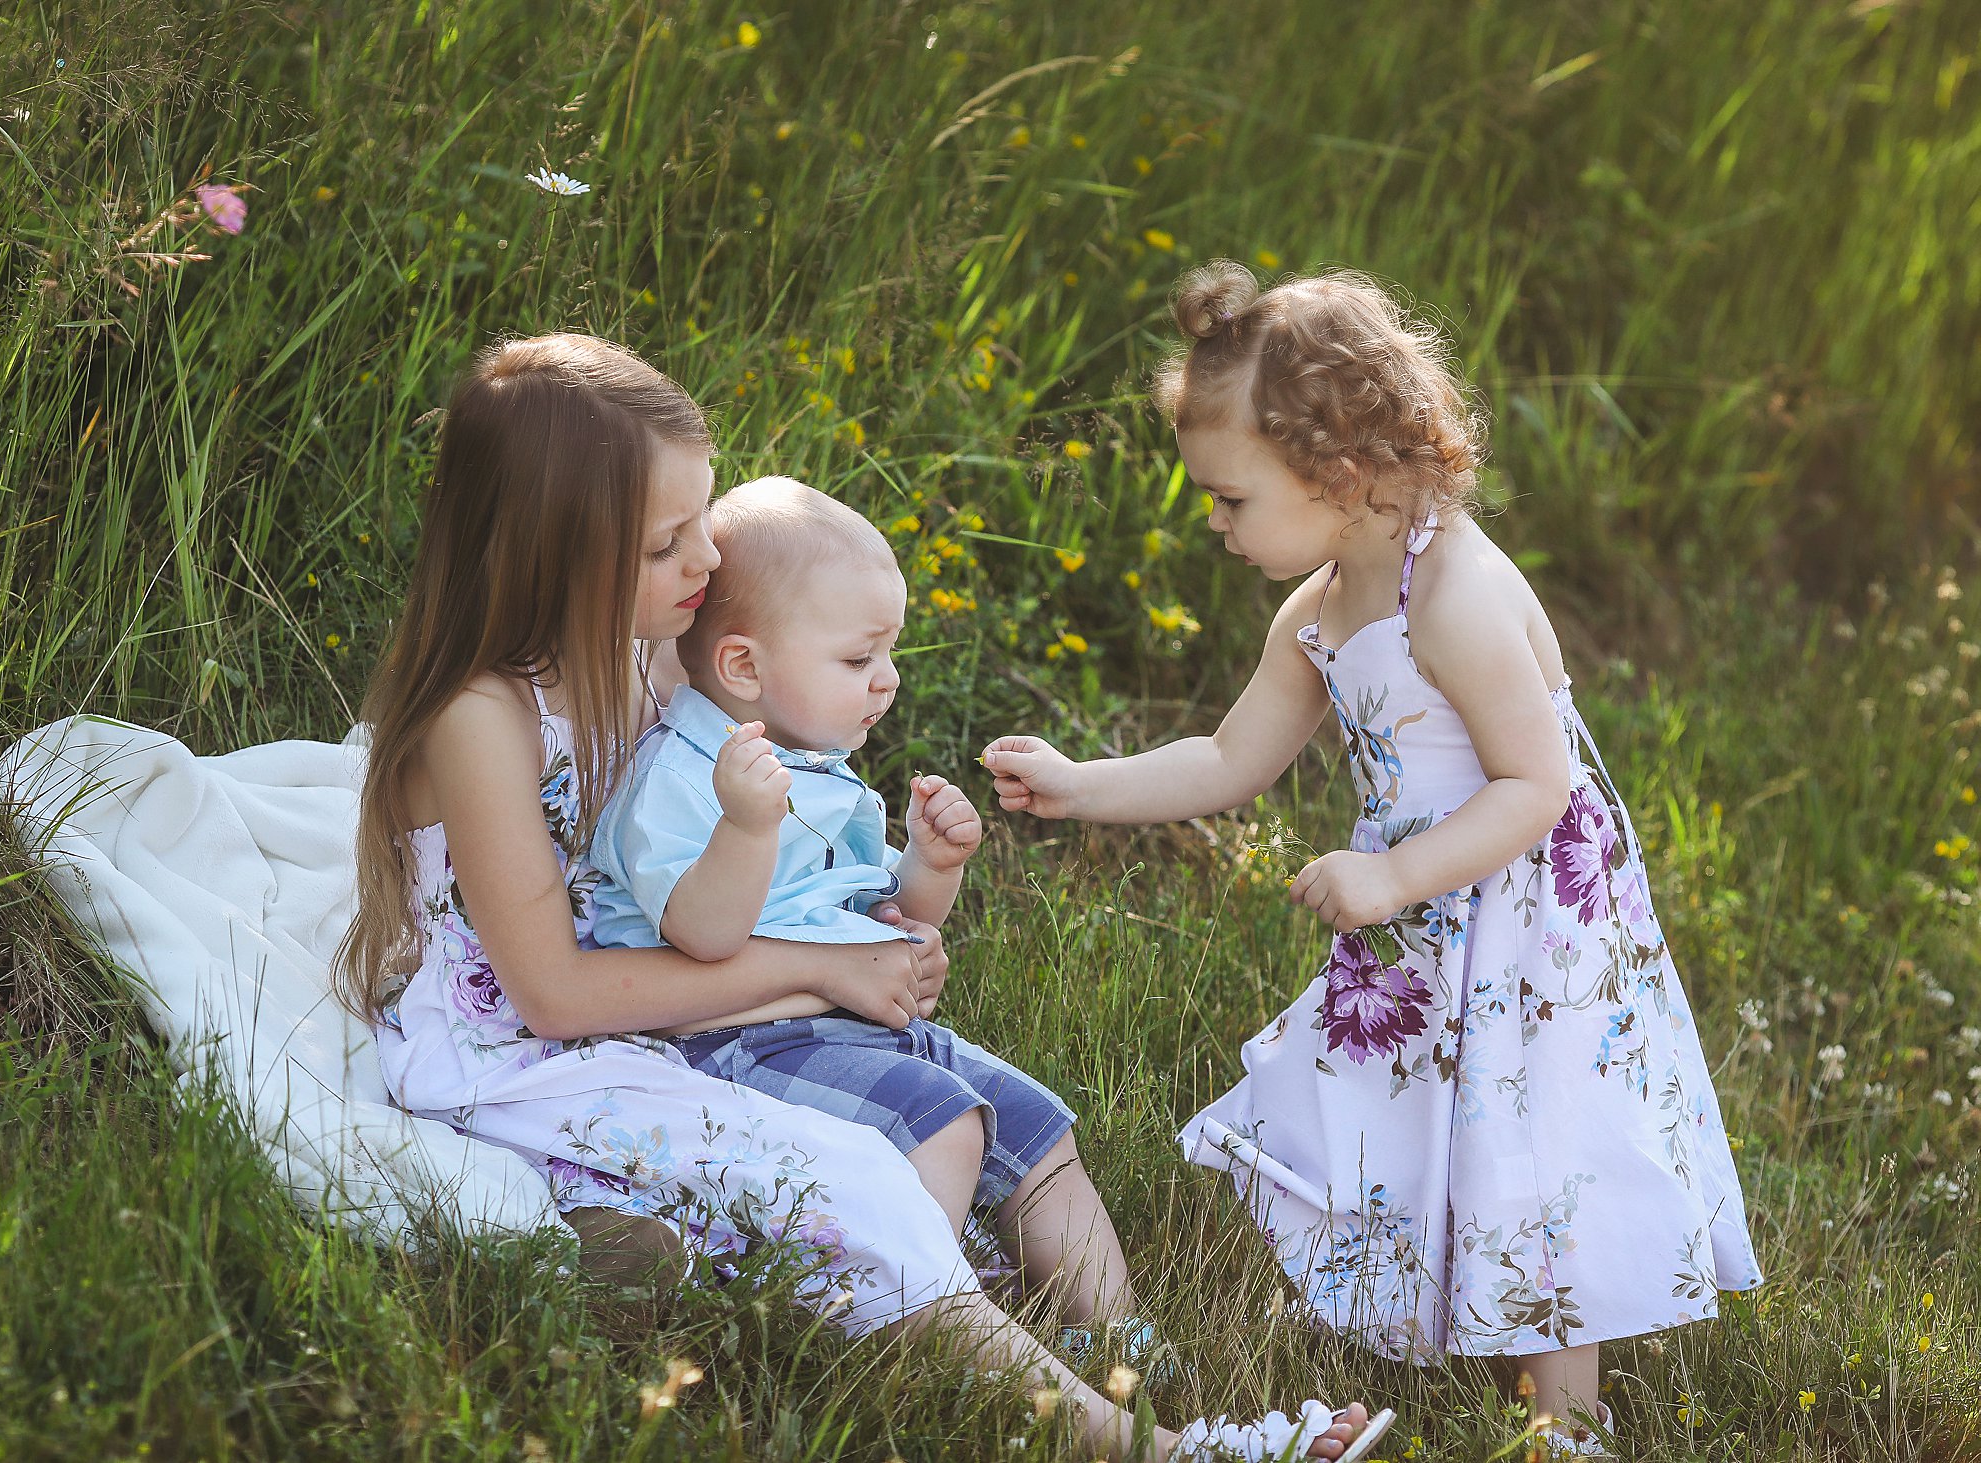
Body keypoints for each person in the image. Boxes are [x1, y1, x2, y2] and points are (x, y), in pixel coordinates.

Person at [335, 332, 1384, 1461]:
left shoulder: (647, 657)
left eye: (702, 520)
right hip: (527, 1043)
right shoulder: (480, 719)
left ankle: (1084, 1343)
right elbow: (549, 994)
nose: (702, 559)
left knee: (984, 1126)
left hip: (680, 996)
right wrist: (817, 967)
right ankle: (1155, 1445)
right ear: (553, 553)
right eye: (665, 543)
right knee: (858, 1177)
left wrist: (885, 895)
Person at [982, 263, 1761, 1454]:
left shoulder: (1449, 593)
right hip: (1432, 916)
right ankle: (1445, 1310)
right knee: (1417, 1120)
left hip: (1525, 920)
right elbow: (1229, 753)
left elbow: (1534, 785)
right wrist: (1081, 786)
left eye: (1230, 498)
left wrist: (1390, 876)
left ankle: (1565, 1419)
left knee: (1530, 1136)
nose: (1215, 522)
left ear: (1335, 473)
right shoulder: (1321, 605)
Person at [586, 474, 1161, 1371]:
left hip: (845, 1028)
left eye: (887, 654)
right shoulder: (680, 777)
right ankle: (900, 1330)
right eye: (859, 661)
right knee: (942, 1121)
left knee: (1035, 1128)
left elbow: (881, 924)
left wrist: (928, 871)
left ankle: (1126, 1350)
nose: (887, 681)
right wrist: (745, 827)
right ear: (744, 666)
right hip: (731, 1044)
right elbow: (700, 935)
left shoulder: (816, 767)